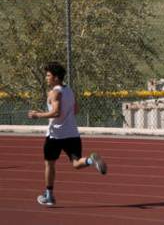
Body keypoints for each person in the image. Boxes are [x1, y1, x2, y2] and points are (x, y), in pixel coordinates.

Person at [27, 61, 107, 207]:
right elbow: (76, 110)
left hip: (55, 136)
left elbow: (56, 112)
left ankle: (49, 196)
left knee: (49, 164)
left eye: (48, 75)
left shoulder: (54, 92)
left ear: (56, 78)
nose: (46, 78)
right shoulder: (69, 91)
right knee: (76, 163)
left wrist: (37, 115)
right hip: (72, 133)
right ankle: (91, 160)